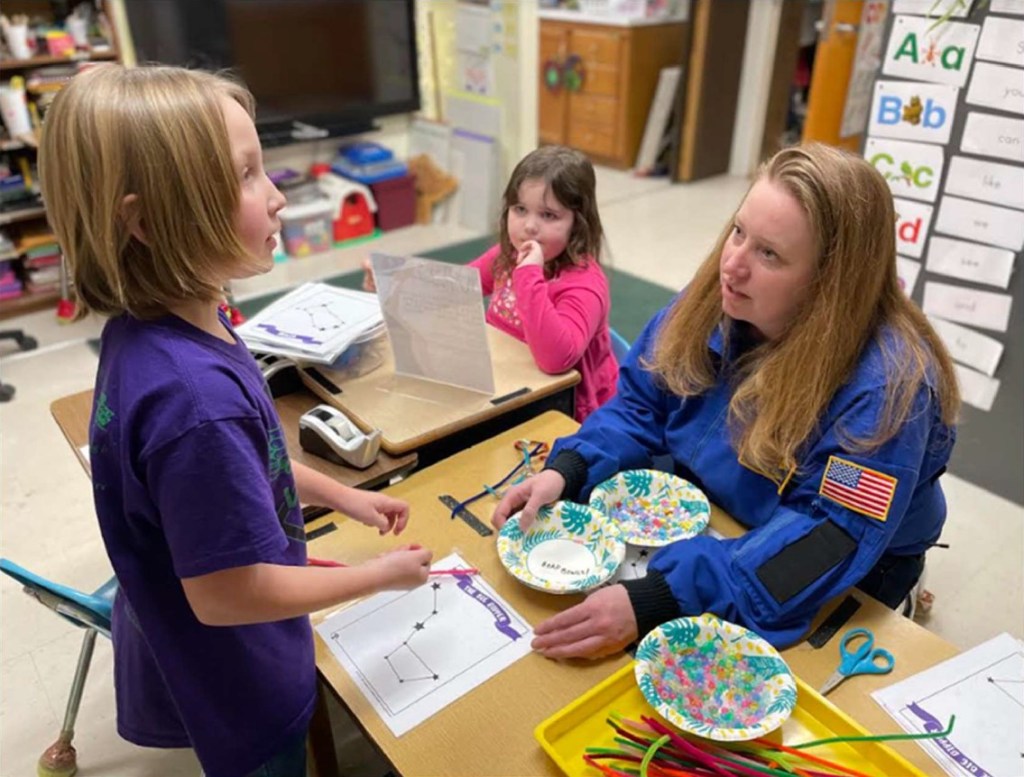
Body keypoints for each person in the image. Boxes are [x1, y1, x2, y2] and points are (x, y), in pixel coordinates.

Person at [38, 64, 434, 777]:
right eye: (248, 175)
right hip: (243, 683)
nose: (280, 197)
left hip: (215, 651)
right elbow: (227, 594)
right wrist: (377, 576)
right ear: (148, 221)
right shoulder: (195, 402)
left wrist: (344, 493)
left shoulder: (154, 327)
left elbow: (253, 470)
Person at [492, 143, 959, 659]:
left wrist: (664, 597)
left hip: (856, 560)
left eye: (770, 254)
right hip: (730, 509)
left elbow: (824, 541)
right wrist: (570, 468)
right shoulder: (727, 294)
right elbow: (642, 402)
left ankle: (908, 595)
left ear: (830, 284)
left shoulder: (890, 391)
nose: (730, 266)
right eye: (738, 232)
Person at [364, 146, 618, 421]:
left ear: (578, 225)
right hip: (508, 387)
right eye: (520, 209)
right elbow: (454, 289)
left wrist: (528, 275)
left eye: (548, 215)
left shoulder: (584, 285)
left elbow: (555, 360)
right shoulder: (507, 255)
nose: (529, 226)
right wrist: (392, 283)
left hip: (568, 413)